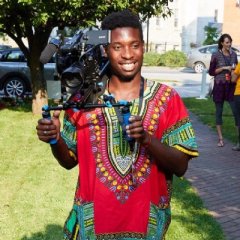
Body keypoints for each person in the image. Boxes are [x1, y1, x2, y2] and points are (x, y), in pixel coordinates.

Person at [36, 9, 199, 239]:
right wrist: (55, 139)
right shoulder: (84, 100)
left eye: (134, 45)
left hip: (147, 228)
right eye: (117, 46)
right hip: (93, 227)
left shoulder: (167, 99)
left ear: (144, 47)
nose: (127, 54)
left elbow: (181, 166)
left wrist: (146, 139)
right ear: (105, 49)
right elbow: (68, 161)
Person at [209, 33, 238, 147]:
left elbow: (236, 69)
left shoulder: (234, 55)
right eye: (227, 42)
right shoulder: (215, 55)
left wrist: (233, 71)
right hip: (219, 86)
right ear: (222, 43)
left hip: (231, 86)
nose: (229, 44)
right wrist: (224, 68)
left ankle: (238, 140)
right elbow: (211, 72)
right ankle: (220, 139)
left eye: (230, 42)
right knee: (219, 113)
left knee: (236, 112)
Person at [231, 64, 240, 151]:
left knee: (238, 119)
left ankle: (239, 144)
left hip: (239, 94)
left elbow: (233, 80)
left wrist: (233, 72)